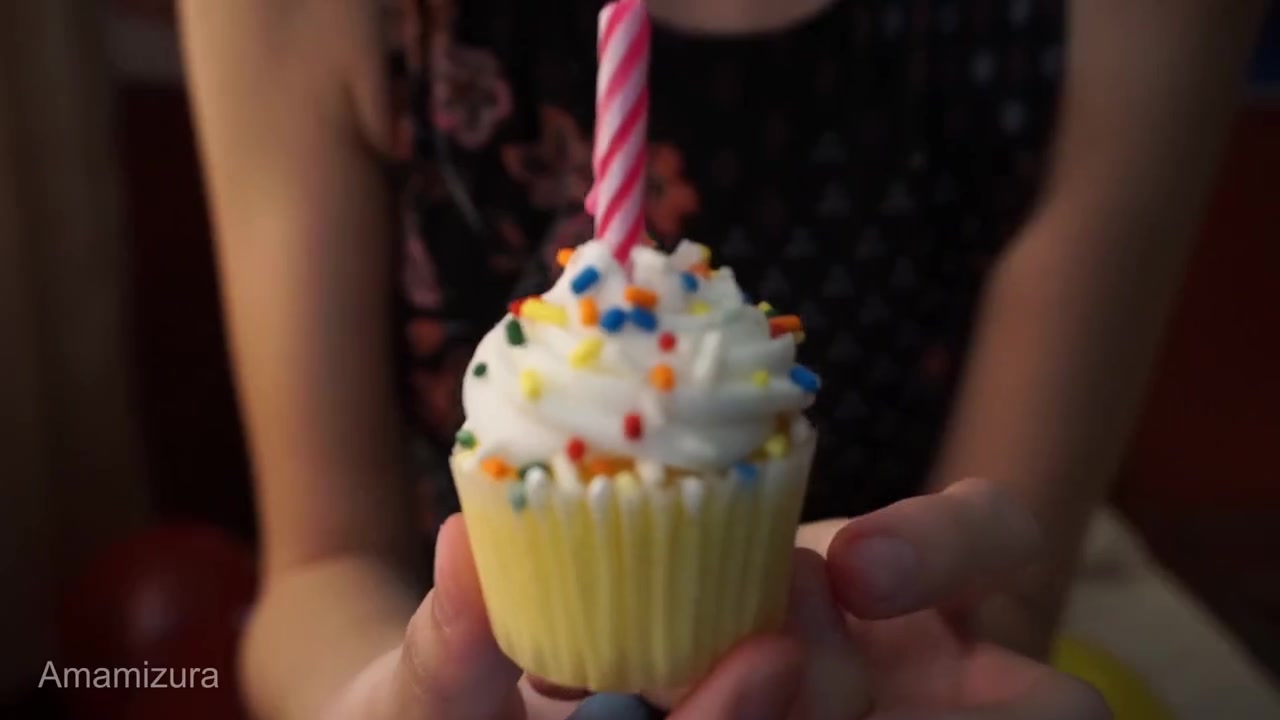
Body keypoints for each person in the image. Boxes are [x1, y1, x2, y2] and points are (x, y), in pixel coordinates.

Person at [177, 0, 1264, 718]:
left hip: (871, 648)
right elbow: (317, 572)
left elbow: (1009, 594)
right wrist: (397, 699)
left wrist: (933, 632)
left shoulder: (1126, 23)